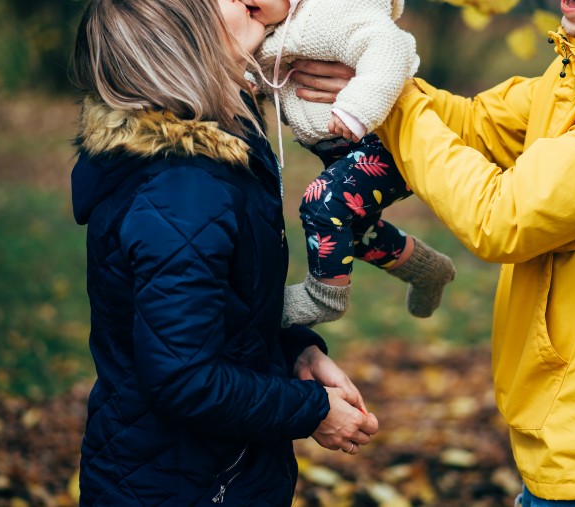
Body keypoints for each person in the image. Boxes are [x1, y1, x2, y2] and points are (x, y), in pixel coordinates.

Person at [293, 0, 575, 504]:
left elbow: (501, 218)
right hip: (572, 424)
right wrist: (376, 79)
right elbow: (475, 123)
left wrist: (393, 104)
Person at [68, 0, 378, 505]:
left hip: (216, 474)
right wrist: (312, 410)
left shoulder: (217, 156)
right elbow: (183, 378)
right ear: (184, 41)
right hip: (178, 486)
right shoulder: (182, 188)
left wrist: (293, 350)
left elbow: (216, 310)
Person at [243, 0, 456, 328]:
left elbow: (387, 47)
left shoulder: (333, 13)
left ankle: (324, 297)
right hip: (341, 148)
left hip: (385, 141)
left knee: (323, 203)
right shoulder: (269, 26)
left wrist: (359, 106)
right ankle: (427, 269)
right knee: (352, 233)